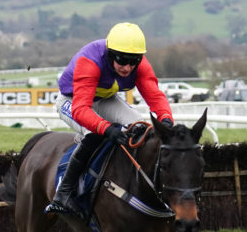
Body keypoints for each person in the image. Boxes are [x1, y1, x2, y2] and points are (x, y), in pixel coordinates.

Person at [45, 22, 175, 220]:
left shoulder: (138, 66)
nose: (127, 68)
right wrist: (106, 129)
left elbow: (155, 96)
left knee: (142, 127)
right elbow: (81, 110)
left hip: (106, 99)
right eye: (122, 61)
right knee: (95, 133)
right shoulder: (90, 60)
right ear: (110, 54)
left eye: (133, 62)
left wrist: (166, 120)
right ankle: (63, 194)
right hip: (73, 101)